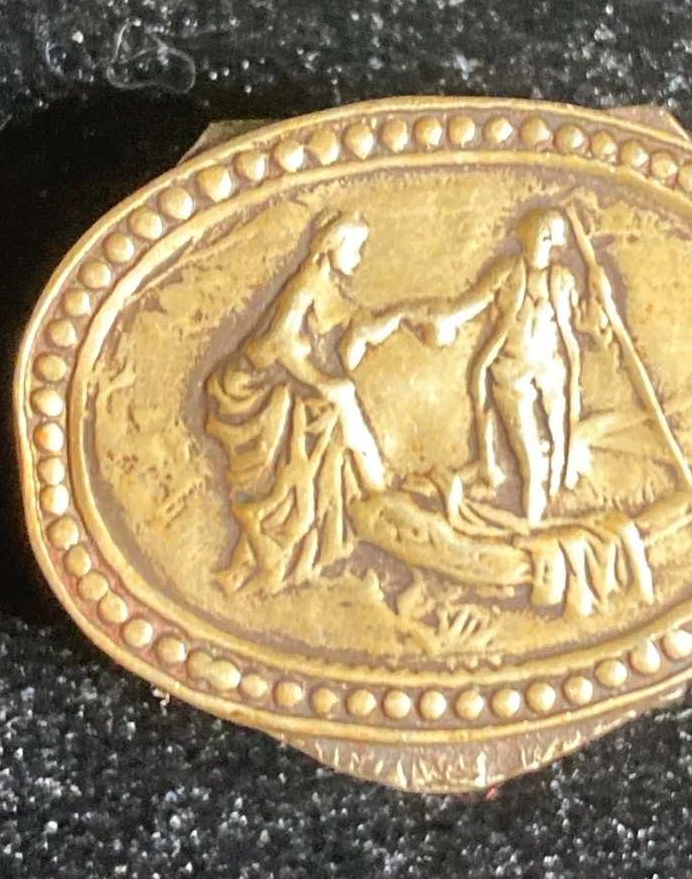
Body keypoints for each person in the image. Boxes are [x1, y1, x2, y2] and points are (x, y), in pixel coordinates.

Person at [204, 212, 403, 593]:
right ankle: (376, 491)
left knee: (339, 407)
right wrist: (320, 382)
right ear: (331, 246)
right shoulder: (305, 284)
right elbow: (276, 343)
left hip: (307, 396)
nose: (358, 257)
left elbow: (350, 332)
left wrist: (404, 316)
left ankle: (250, 560)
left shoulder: (328, 287)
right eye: (354, 249)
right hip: (270, 390)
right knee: (340, 402)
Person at [426, 208, 595, 526]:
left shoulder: (561, 279)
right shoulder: (506, 271)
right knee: (531, 465)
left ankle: (550, 512)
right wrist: (446, 318)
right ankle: (532, 528)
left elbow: (583, 324)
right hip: (511, 374)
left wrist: (599, 302)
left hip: (550, 373)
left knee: (559, 452)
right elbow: (475, 302)